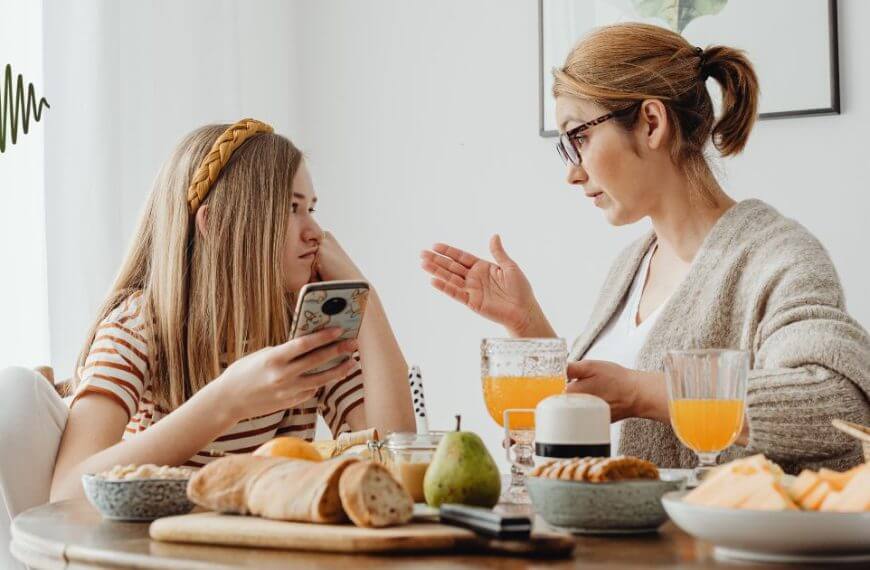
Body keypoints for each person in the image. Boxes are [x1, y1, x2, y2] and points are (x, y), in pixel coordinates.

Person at [421, 23, 870, 474]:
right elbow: (592, 418)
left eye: (579, 137)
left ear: (652, 123)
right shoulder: (632, 266)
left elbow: (839, 408)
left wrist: (644, 393)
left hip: (706, 542)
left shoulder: (777, 259)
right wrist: (527, 322)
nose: (572, 174)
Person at [0, 119, 415, 566]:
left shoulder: (301, 334)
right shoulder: (140, 325)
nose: (315, 231)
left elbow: (398, 458)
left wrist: (365, 299)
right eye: (293, 208)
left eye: (312, 208)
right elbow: (67, 494)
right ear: (215, 223)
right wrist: (228, 400)